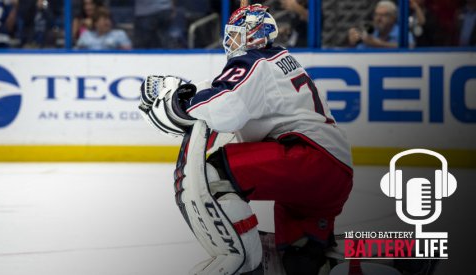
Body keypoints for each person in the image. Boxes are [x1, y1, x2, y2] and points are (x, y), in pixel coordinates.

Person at [139, 4, 353, 274]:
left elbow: (224, 107)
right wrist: (191, 91)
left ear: (255, 34)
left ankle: (243, 264)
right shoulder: (278, 59)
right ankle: (397, 261)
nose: (230, 42)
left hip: (307, 159)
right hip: (333, 172)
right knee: (302, 262)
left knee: (216, 173)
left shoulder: (252, 60)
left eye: (236, 34)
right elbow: (227, 91)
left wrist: (177, 104)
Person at [348, 0, 415, 48]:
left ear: (393, 17)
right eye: (376, 15)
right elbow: (358, 51)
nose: (378, 19)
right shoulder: (370, 33)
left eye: (384, 15)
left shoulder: (403, 33)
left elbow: (410, 48)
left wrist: (378, 44)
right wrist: (353, 43)